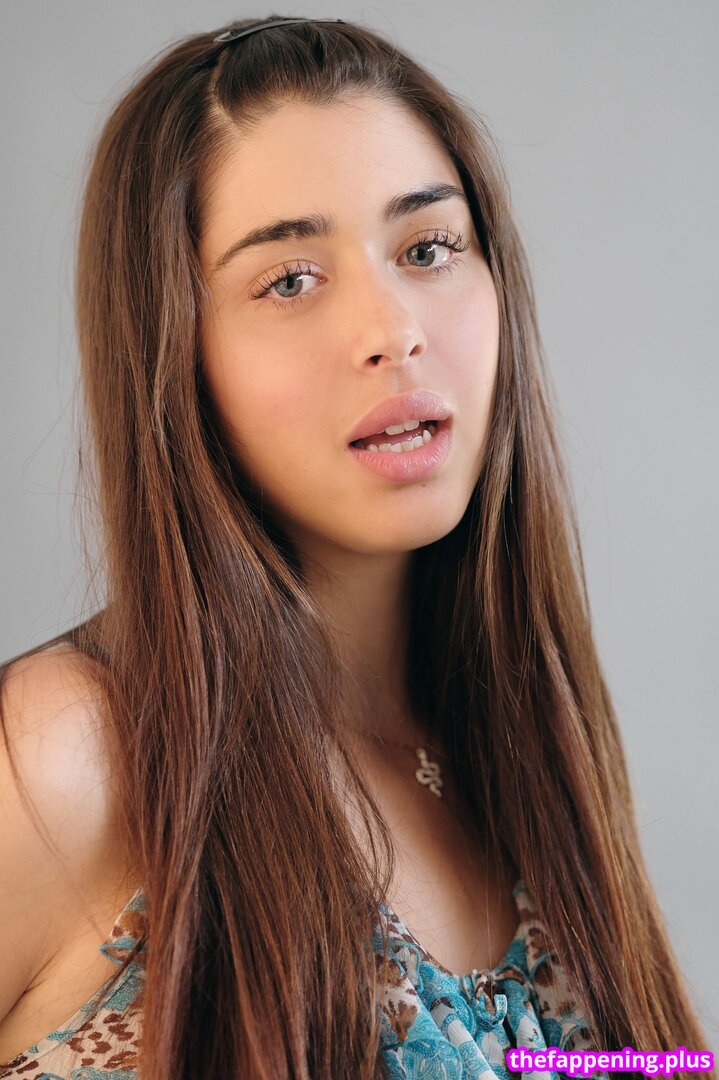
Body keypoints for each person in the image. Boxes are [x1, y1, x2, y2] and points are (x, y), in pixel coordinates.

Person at [0, 14, 712, 1080]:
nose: (391, 330)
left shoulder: (529, 754)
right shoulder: (69, 755)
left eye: (427, 249)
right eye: (289, 280)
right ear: (172, 351)